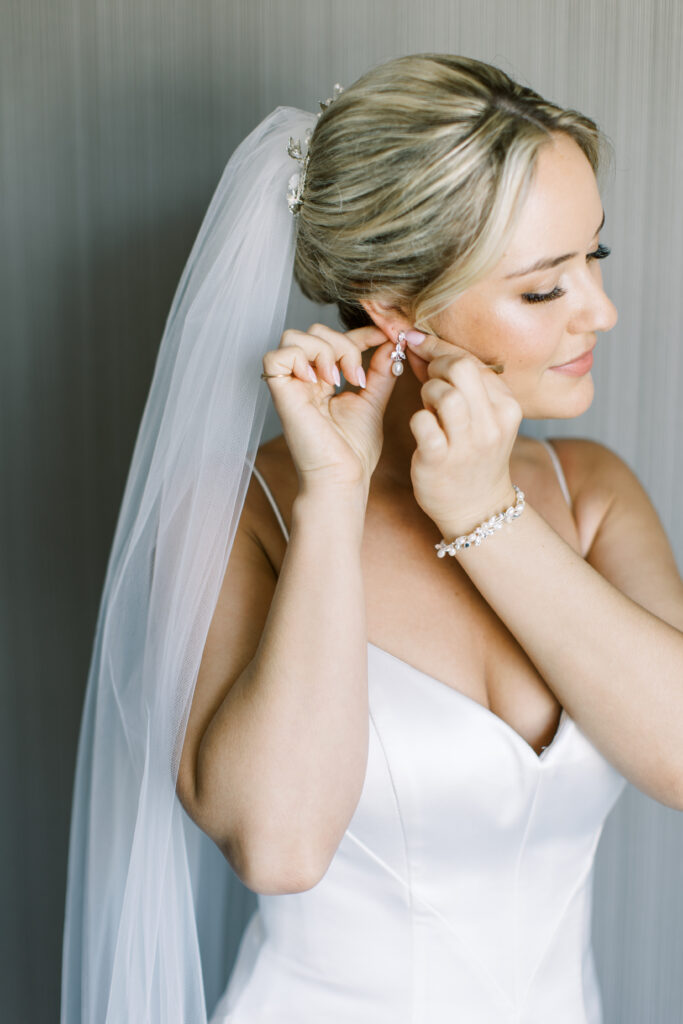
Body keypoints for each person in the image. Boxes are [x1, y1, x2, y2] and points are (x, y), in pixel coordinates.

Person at [61, 54, 683, 1024]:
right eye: (540, 288)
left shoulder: (590, 493)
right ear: (394, 309)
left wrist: (484, 516)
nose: (597, 312)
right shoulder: (227, 517)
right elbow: (279, 844)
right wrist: (331, 497)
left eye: (589, 261)